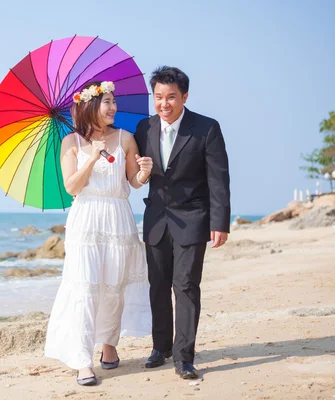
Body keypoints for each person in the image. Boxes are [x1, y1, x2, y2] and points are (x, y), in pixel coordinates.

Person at [44, 81, 152, 386]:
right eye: (107, 102)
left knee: (114, 286)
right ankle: (82, 361)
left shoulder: (127, 138)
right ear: (90, 106)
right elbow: (71, 187)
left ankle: (108, 345)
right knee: (85, 288)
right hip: (86, 219)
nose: (113, 107)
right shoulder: (71, 143)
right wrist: (92, 156)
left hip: (118, 217)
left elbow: (133, 181)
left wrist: (144, 170)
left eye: (114, 101)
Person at [134, 66, 231, 379]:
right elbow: (133, 174)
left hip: (193, 219)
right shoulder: (143, 129)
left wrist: (220, 222)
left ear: (184, 96)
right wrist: (143, 171)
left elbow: (218, 179)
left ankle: (183, 357)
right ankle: (160, 348)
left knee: (186, 286)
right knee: (158, 286)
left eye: (171, 97)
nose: (164, 103)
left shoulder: (206, 128)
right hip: (156, 221)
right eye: (159, 97)